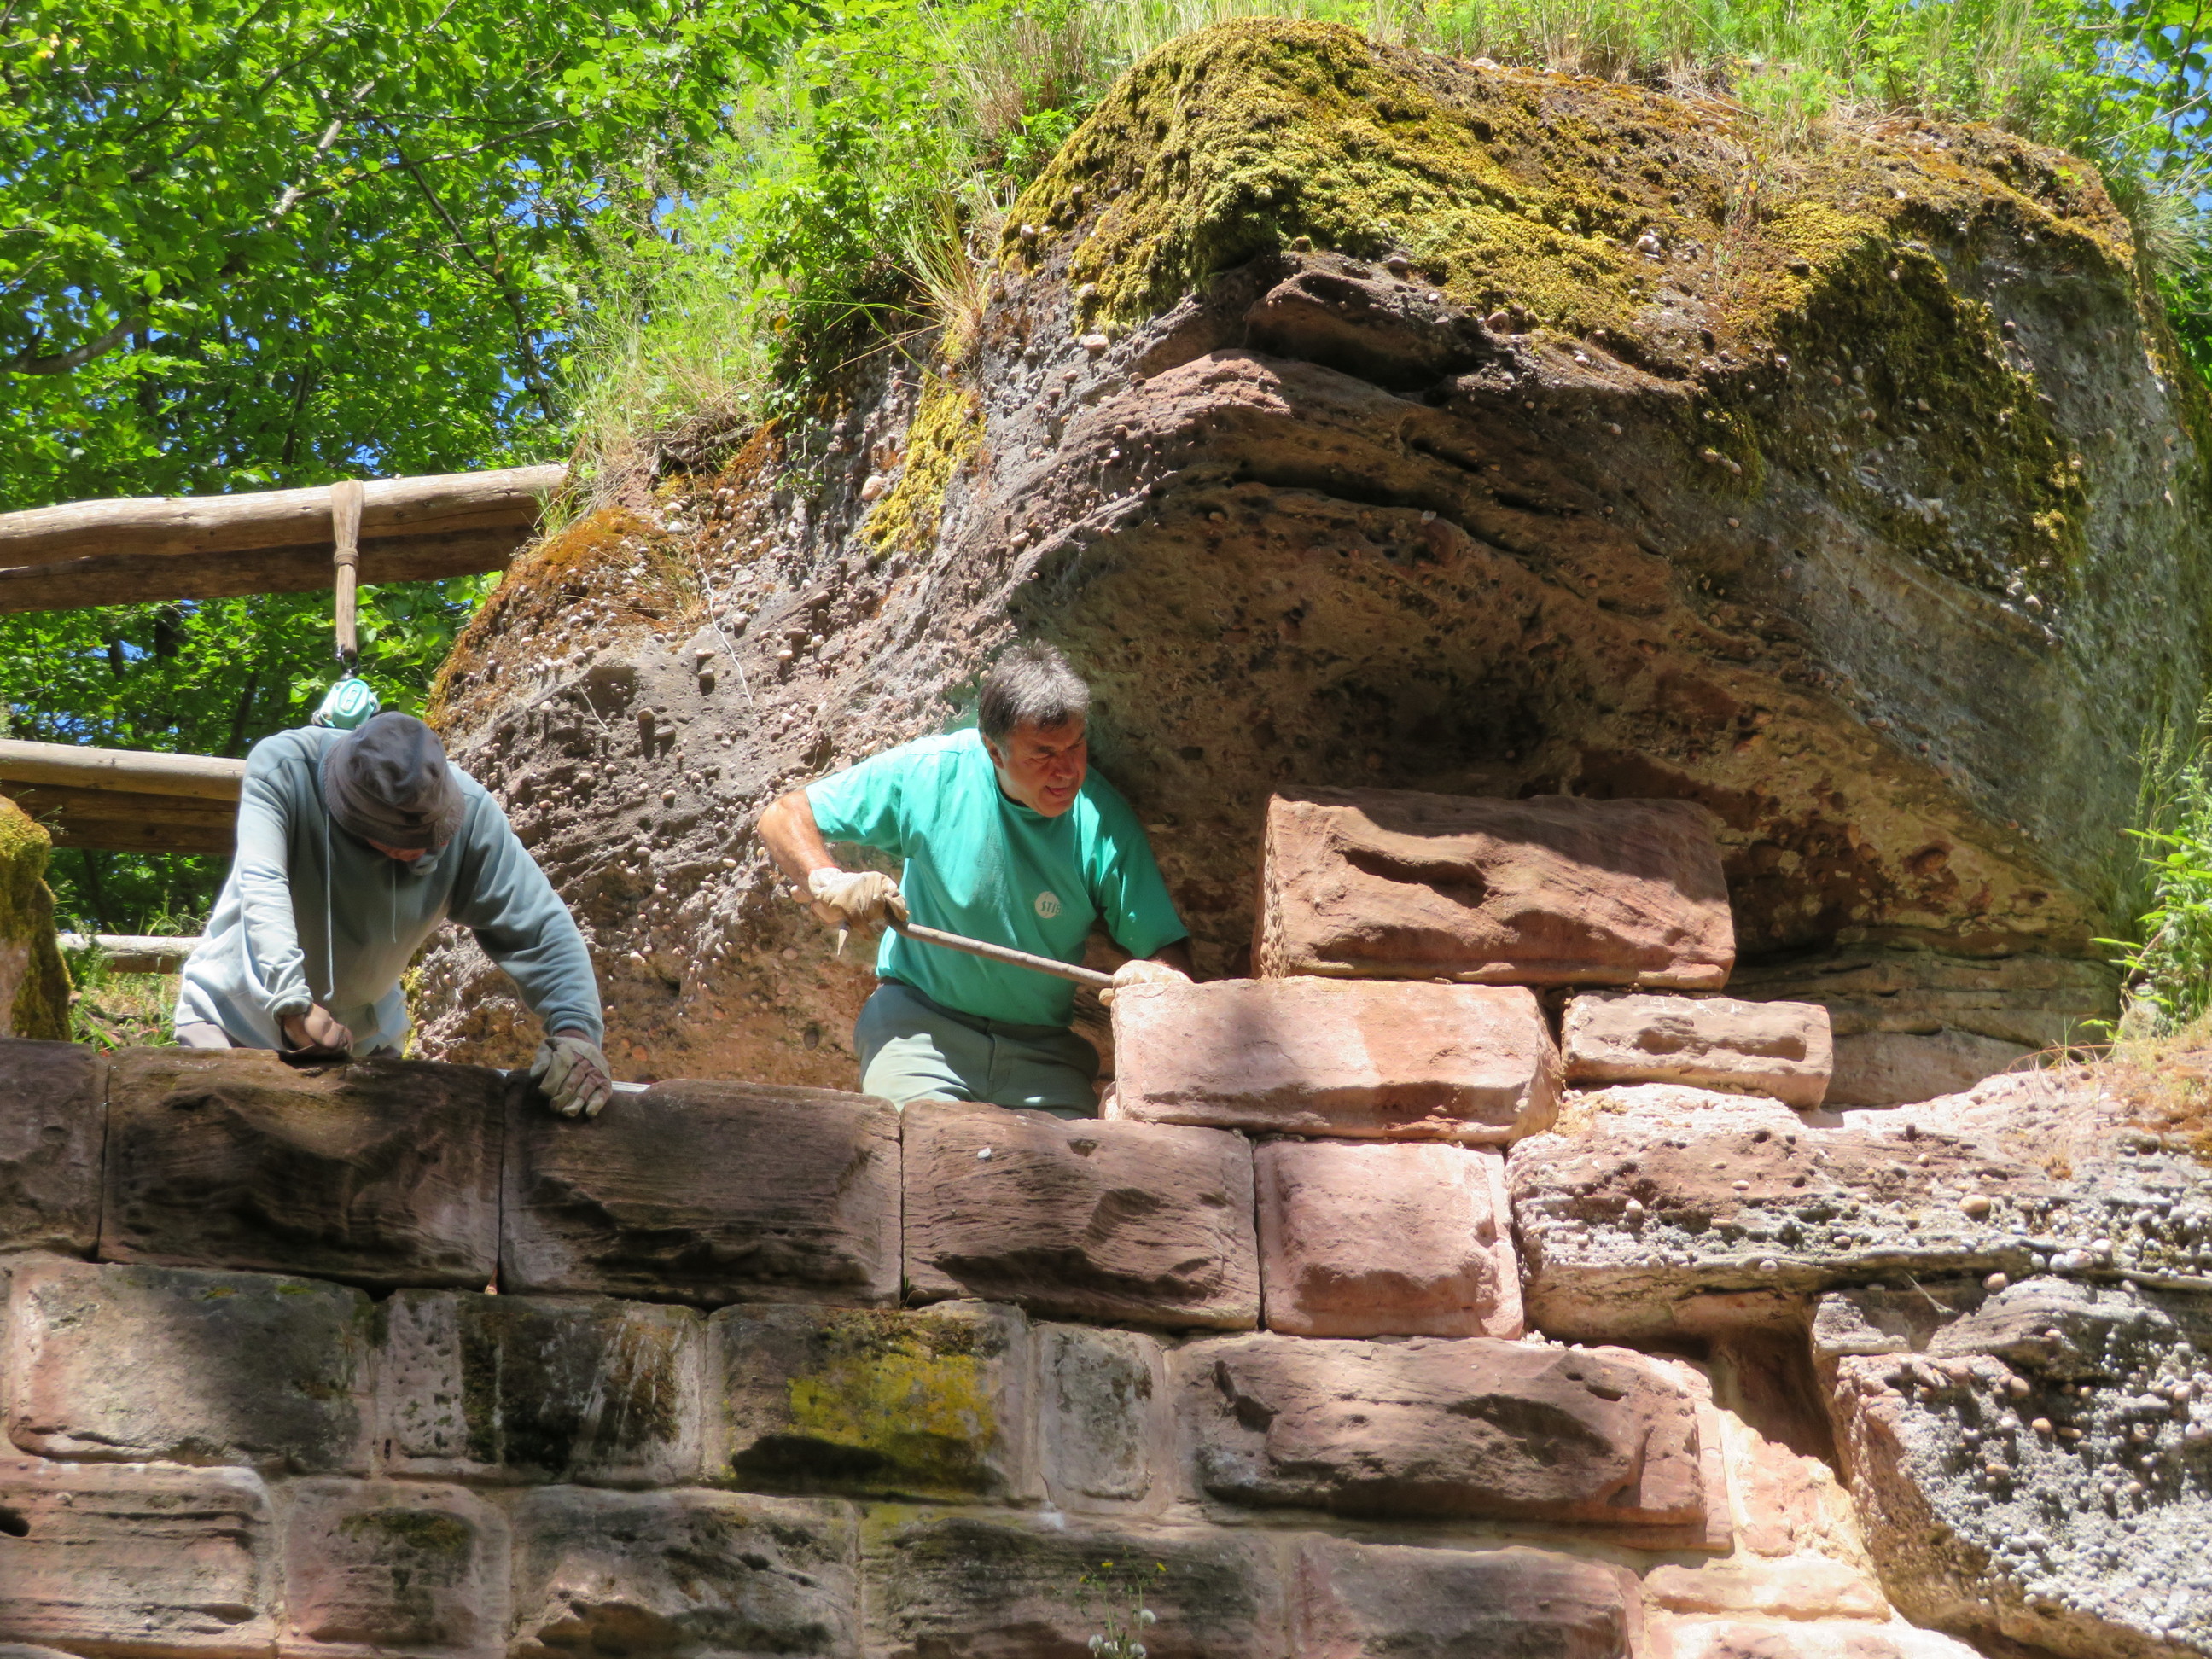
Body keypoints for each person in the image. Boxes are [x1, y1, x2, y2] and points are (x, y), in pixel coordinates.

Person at [757, 641, 1192, 1115]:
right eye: (1043, 753)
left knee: (1079, 1162)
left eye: (1075, 746)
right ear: (994, 751)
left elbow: (1167, 952)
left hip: (1043, 1053)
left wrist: (1159, 976)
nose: (1068, 770)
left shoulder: (1103, 821)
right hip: (918, 1027)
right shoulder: (932, 774)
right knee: (913, 1144)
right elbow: (784, 815)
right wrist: (828, 881)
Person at [172, 712, 612, 1119]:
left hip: (367, 1045)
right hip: (231, 1022)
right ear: (347, 811)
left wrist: (578, 1033)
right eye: (396, 838)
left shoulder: (474, 812)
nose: (422, 849)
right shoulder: (285, 767)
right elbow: (263, 885)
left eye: (434, 833)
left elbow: (539, 926)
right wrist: (291, 1005)